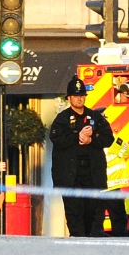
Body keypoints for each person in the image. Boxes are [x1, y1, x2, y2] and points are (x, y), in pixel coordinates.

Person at [50, 76, 115, 237]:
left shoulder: (95, 117)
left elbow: (109, 138)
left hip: (93, 174)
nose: (79, 99)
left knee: (93, 210)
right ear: (69, 98)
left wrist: (91, 140)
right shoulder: (62, 119)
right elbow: (56, 138)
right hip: (71, 175)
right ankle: (77, 239)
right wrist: (78, 137)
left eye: (82, 95)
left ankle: (92, 239)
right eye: (76, 96)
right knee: (74, 210)